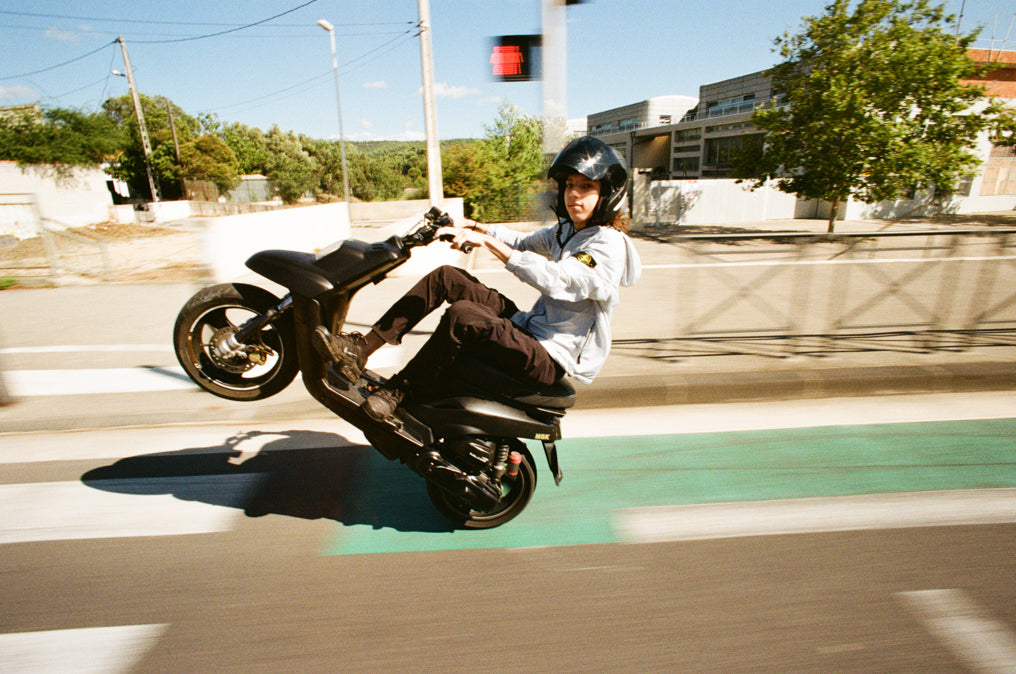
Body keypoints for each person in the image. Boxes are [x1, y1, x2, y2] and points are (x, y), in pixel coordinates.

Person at [313, 135, 642, 421]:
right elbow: (522, 241)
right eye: (569, 185)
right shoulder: (567, 230)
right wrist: (472, 225)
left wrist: (486, 243)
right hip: (529, 329)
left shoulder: (607, 244)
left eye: (586, 186)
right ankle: (362, 348)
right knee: (448, 277)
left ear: (607, 192)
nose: (574, 195)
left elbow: (557, 279)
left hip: (548, 356)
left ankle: (399, 391)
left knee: (464, 315)